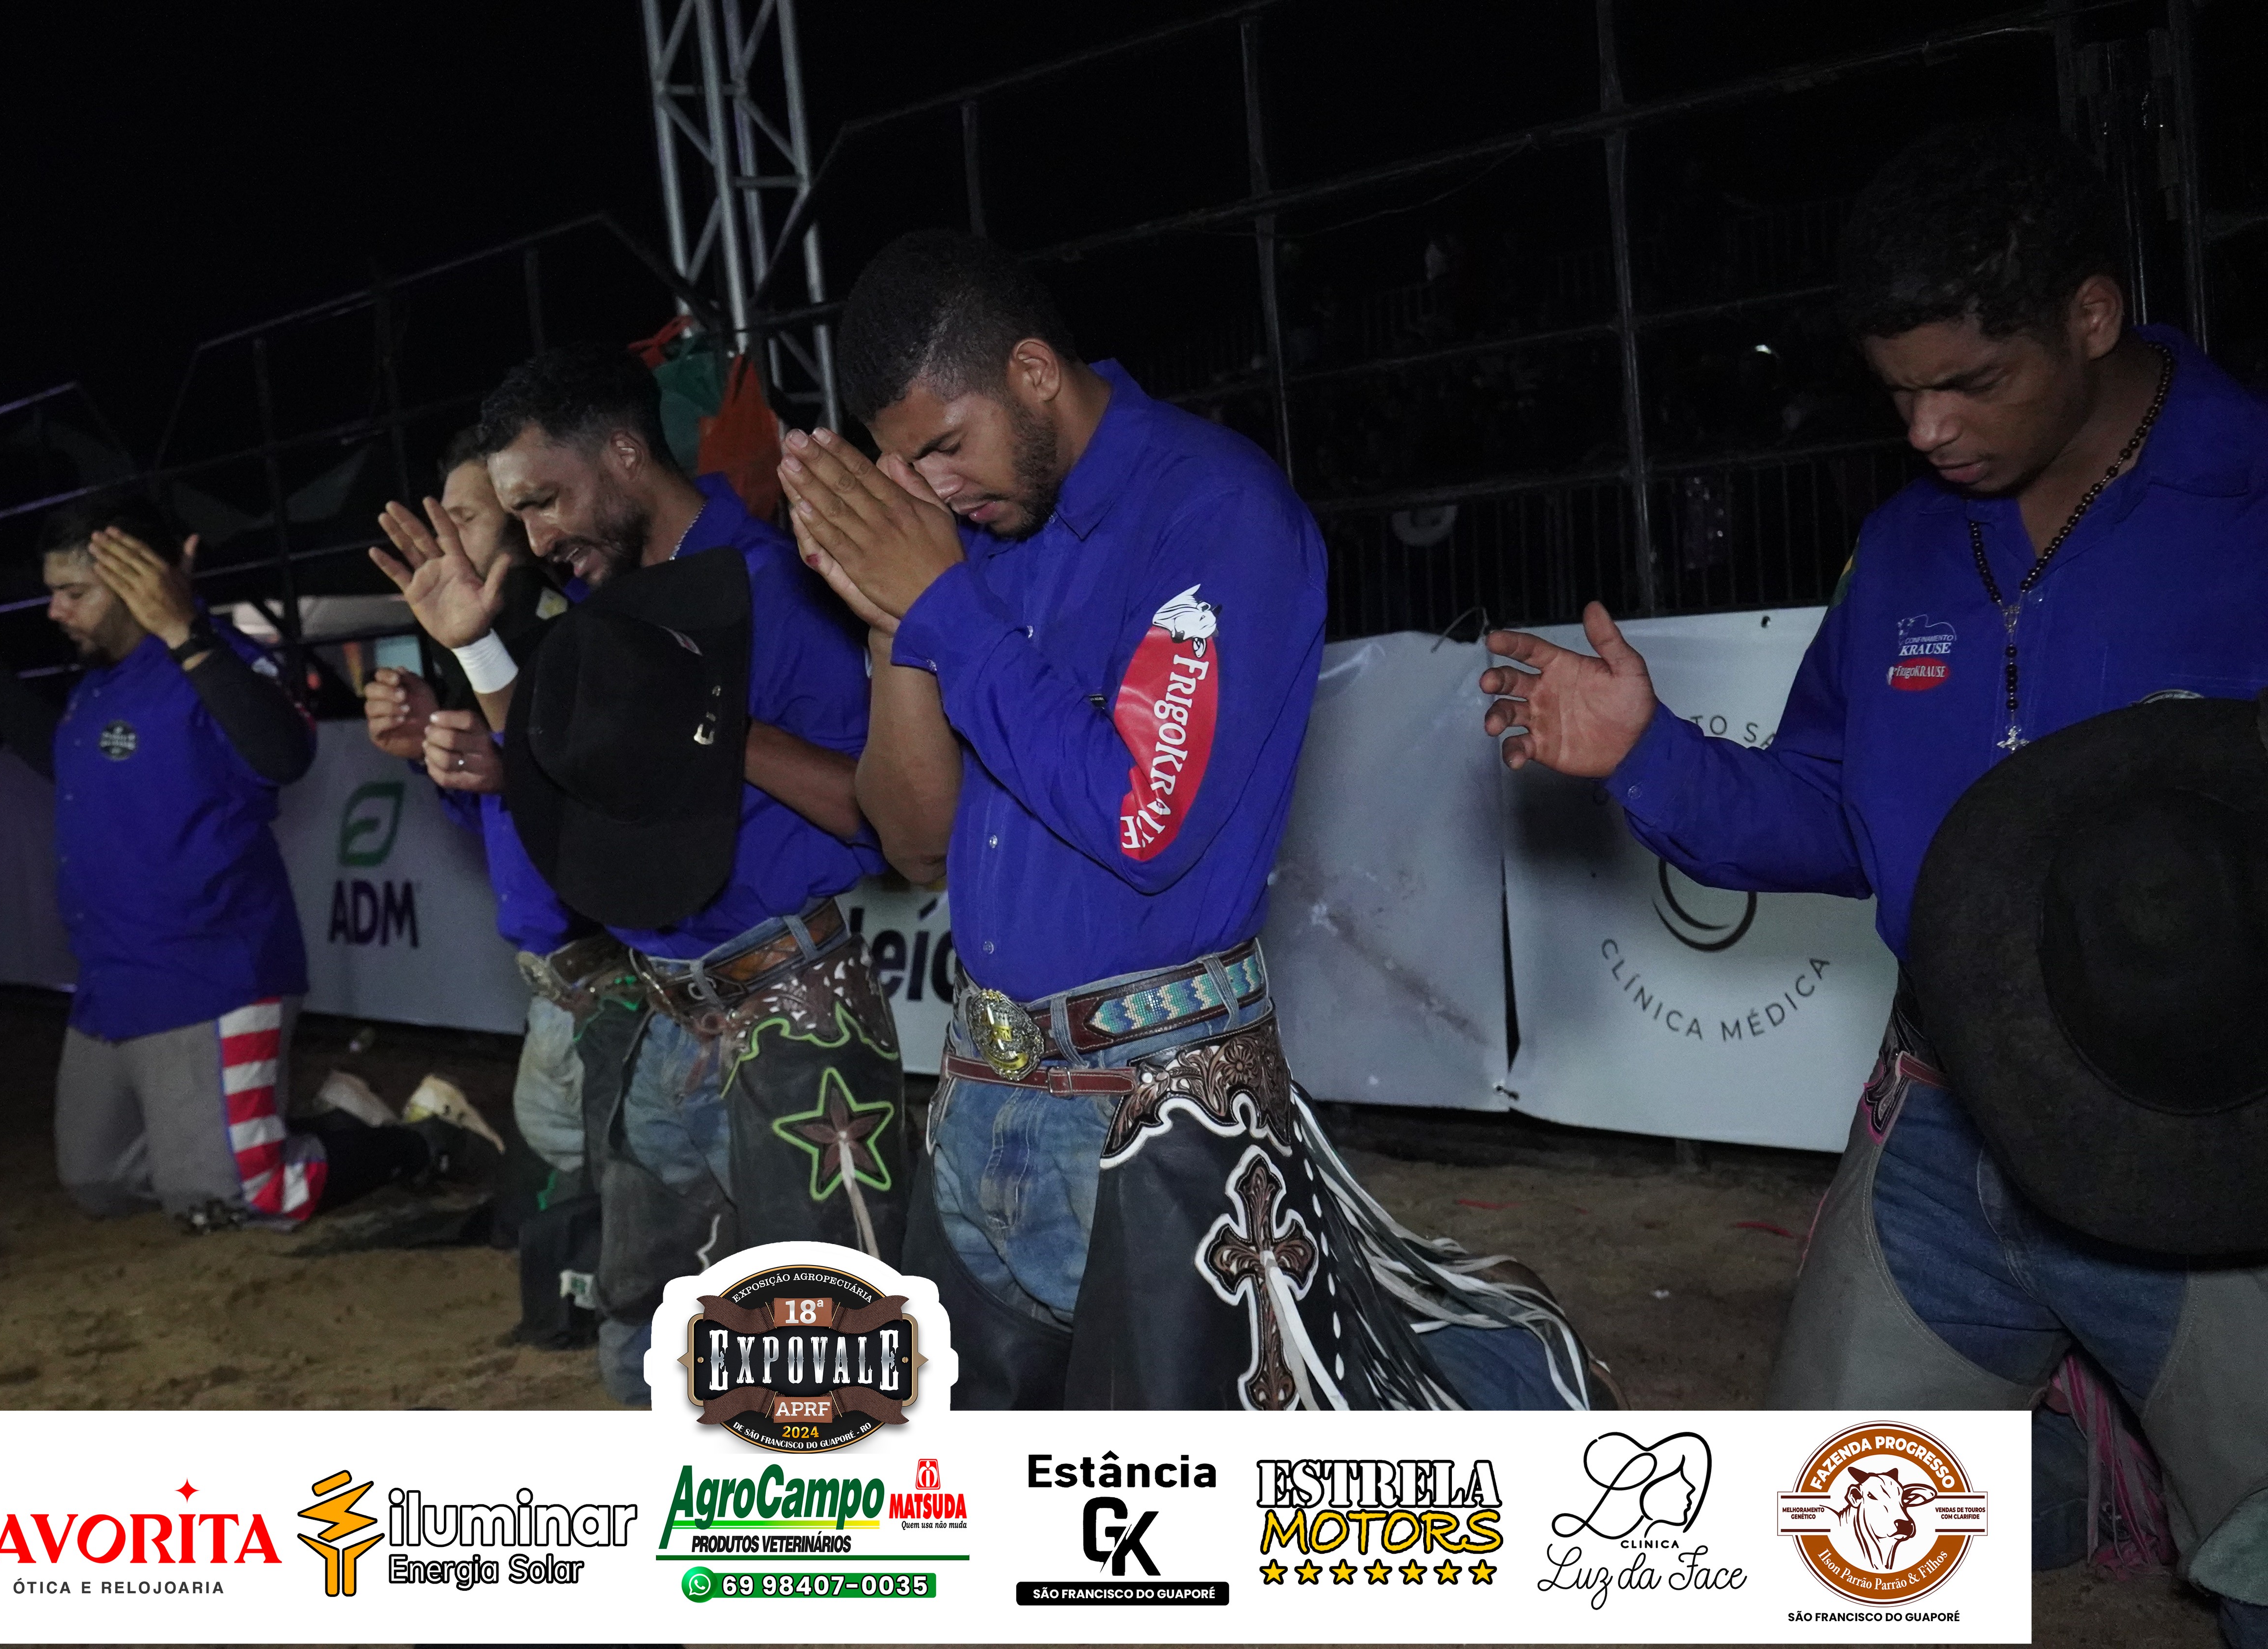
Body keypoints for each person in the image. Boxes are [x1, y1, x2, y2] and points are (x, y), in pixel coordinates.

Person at [1478, 124, 2268, 1644]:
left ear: (2090, 316)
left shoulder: (2250, 504)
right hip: (1943, 1127)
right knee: (1834, 1544)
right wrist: (1648, 754)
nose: (1926, 432)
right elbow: (1834, 814)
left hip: (2215, 1156)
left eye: (1968, 382)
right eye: (1896, 392)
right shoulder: (1904, 549)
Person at [781, 229, 1595, 1411]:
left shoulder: (1215, 511)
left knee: (1169, 1511)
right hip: (975, 1095)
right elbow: (912, 845)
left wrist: (947, 611)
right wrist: (891, 623)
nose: (936, 489)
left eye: (946, 446)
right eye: (907, 466)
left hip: (1159, 1108)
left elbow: (1143, 820)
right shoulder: (968, 553)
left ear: (1032, 372)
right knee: (962, 1493)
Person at [372, 342, 903, 1404]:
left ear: (623, 453)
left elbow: (878, 813)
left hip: (795, 1024)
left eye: (544, 501)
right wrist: (477, 651)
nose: (536, 538)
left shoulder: (775, 586)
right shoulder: (607, 600)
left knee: (820, 1356)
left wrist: (709, 720)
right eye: (519, 516)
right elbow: (561, 787)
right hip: (655, 1018)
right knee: (642, 1341)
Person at [0, 493, 453, 1234]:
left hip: (211, 974)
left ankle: (420, 1143)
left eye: (75, 592)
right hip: (114, 982)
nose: (56, 611)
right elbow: (61, 757)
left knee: (240, 1197)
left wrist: (185, 630)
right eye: (54, 592)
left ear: (143, 581)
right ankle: (315, 1124)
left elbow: (284, 754)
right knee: (99, 1181)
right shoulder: (99, 684)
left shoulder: (214, 657)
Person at [361, 425, 622, 1193]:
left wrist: (509, 770)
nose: (444, 538)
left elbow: (619, 807)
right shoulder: (483, 646)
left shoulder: (579, 633)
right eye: (439, 517)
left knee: (609, 1201)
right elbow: (492, 818)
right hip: (552, 983)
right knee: (562, 1196)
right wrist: (430, 750)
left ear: (523, 523)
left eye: (466, 519)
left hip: (615, 972)